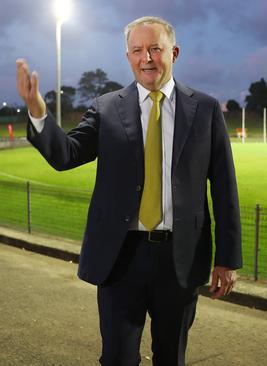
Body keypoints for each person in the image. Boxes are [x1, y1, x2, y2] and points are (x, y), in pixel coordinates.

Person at [16, 16, 241, 366]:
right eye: (137, 50)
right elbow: (67, 154)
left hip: (179, 257)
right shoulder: (106, 108)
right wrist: (38, 113)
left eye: (155, 48)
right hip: (120, 257)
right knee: (118, 358)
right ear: (128, 56)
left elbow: (225, 188)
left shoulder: (206, 109)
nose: (146, 58)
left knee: (171, 358)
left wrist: (227, 260)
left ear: (174, 52)